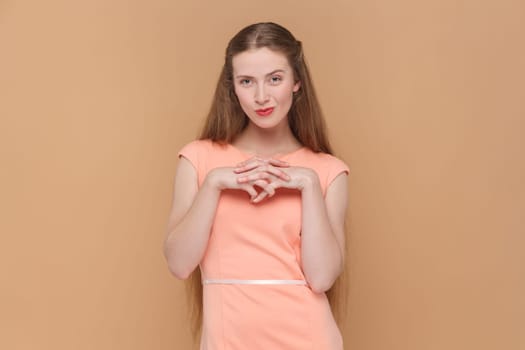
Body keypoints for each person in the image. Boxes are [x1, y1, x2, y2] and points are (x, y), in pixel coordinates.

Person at [163, 22, 349, 349]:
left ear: (296, 82)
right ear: (232, 87)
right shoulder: (198, 158)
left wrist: (306, 183)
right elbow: (179, 264)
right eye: (247, 81)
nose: (261, 96)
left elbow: (321, 278)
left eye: (275, 79)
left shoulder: (327, 171)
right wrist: (215, 183)